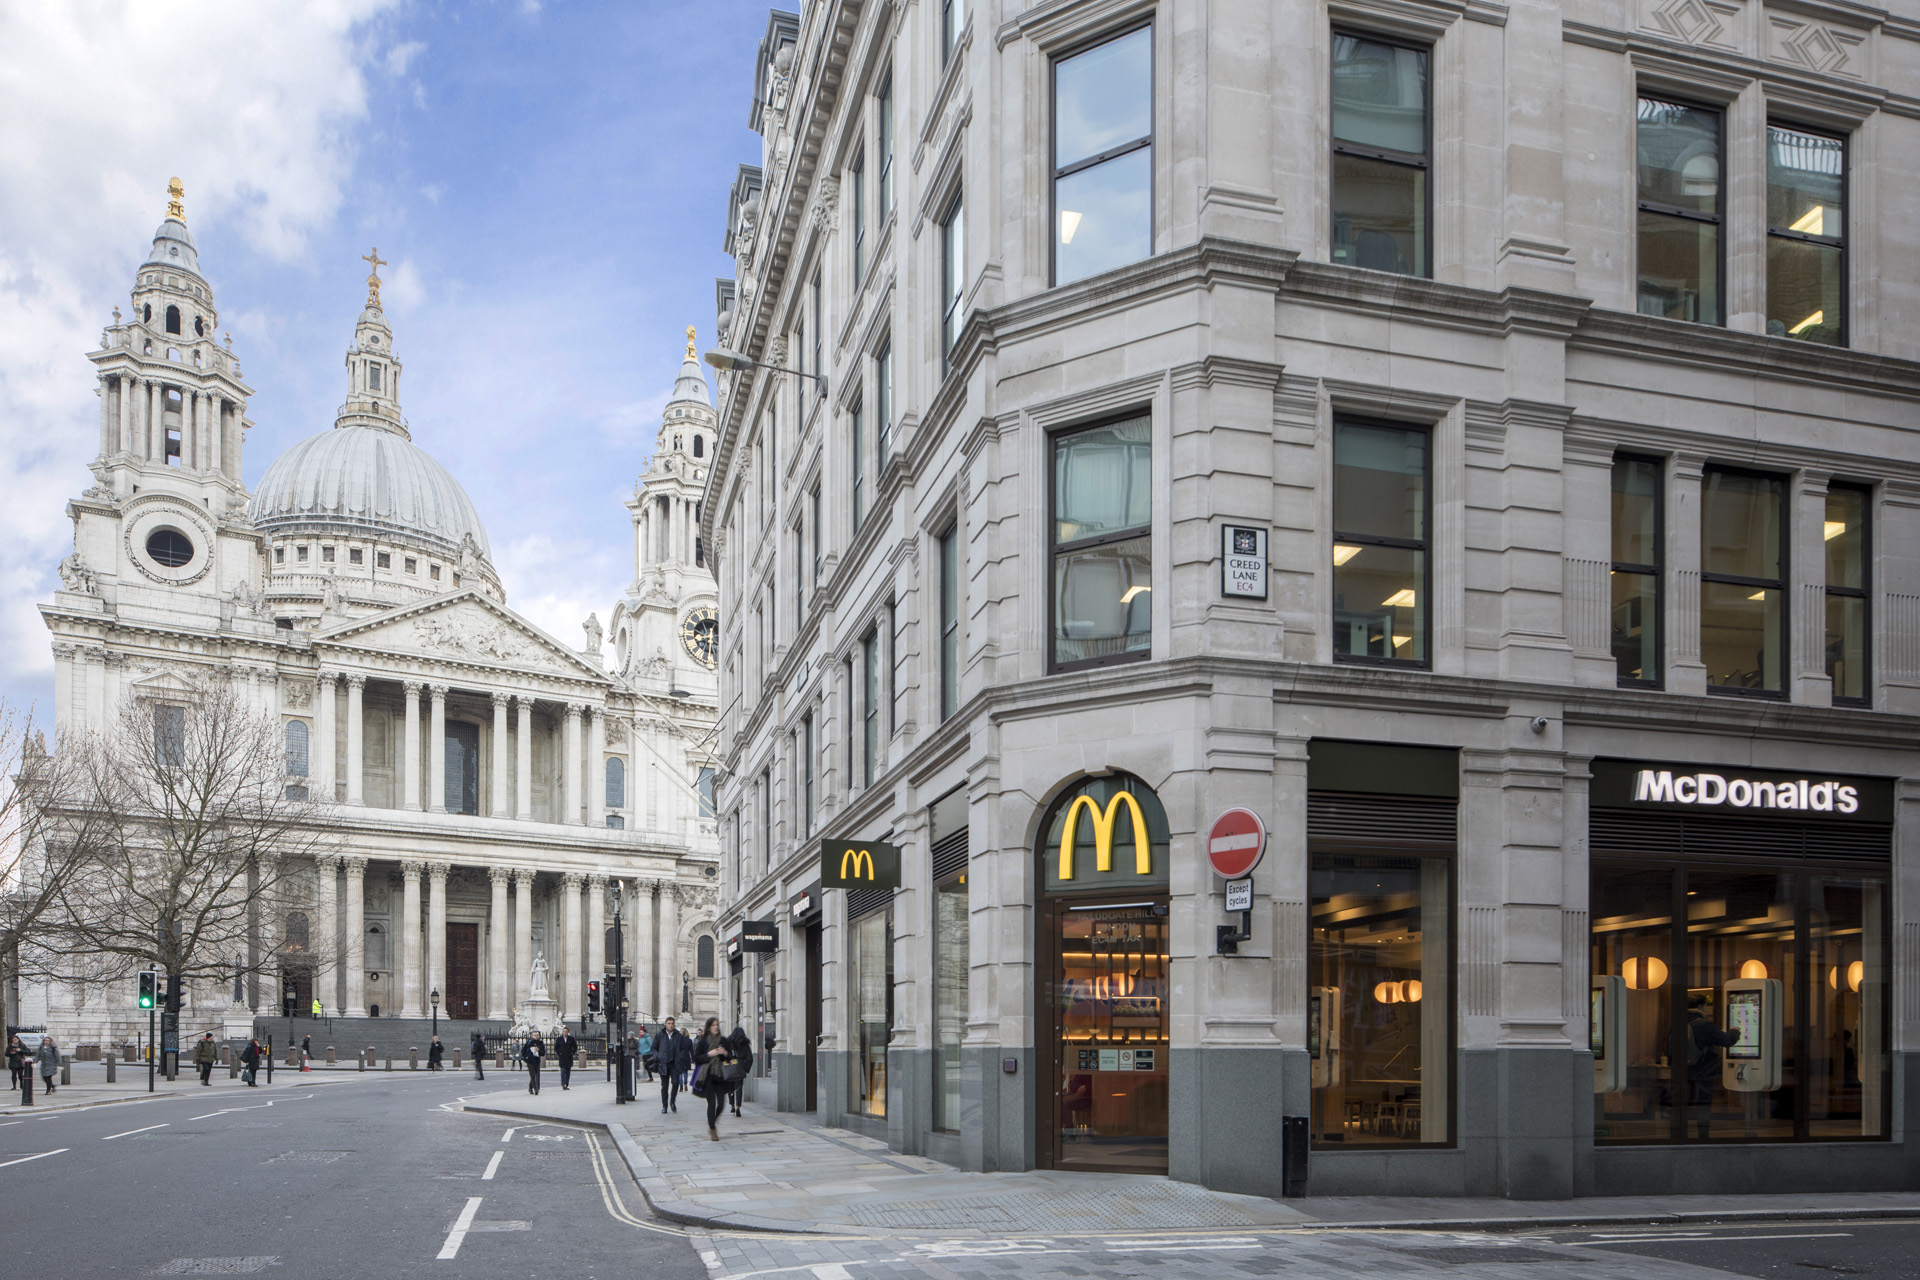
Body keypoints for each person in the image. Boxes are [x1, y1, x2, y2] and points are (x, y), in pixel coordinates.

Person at [1685, 993, 1741, 1139]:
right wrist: (1734, 1029)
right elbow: (1727, 1040)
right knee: (1703, 1105)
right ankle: (1703, 1137)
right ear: (1700, 1006)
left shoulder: (1678, 1022)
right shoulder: (1703, 1024)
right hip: (1704, 1072)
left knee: (1683, 1104)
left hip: (1684, 1071)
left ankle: (1680, 1137)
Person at [692, 1018, 735, 1141]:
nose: (716, 1027)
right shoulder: (703, 1042)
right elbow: (697, 1058)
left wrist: (725, 1053)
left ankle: (713, 1122)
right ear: (709, 1028)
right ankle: (712, 1129)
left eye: (717, 1025)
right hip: (708, 1076)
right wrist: (709, 1054)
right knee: (712, 1103)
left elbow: (731, 1058)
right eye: (713, 1025)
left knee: (721, 1104)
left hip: (721, 1076)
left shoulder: (723, 1041)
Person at [655, 1017, 691, 1114]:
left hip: (674, 1064)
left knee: (675, 1083)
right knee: (664, 1086)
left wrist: (680, 1056)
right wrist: (658, 1056)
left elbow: (684, 1048)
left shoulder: (678, 1036)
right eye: (669, 1023)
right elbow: (654, 1048)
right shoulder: (660, 1035)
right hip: (663, 1064)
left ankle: (672, 1101)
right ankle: (664, 1106)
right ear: (665, 1024)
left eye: (672, 1023)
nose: (670, 1025)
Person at [726, 1025, 754, 1118]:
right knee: (739, 1089)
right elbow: (749, 1058)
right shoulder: (745, 1045)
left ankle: (732, 1105)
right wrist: (746, 1068)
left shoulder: (729, 1044)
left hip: (730, 1067)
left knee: (730, 1088)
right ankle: (738, 1107)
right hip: (740, 1067)